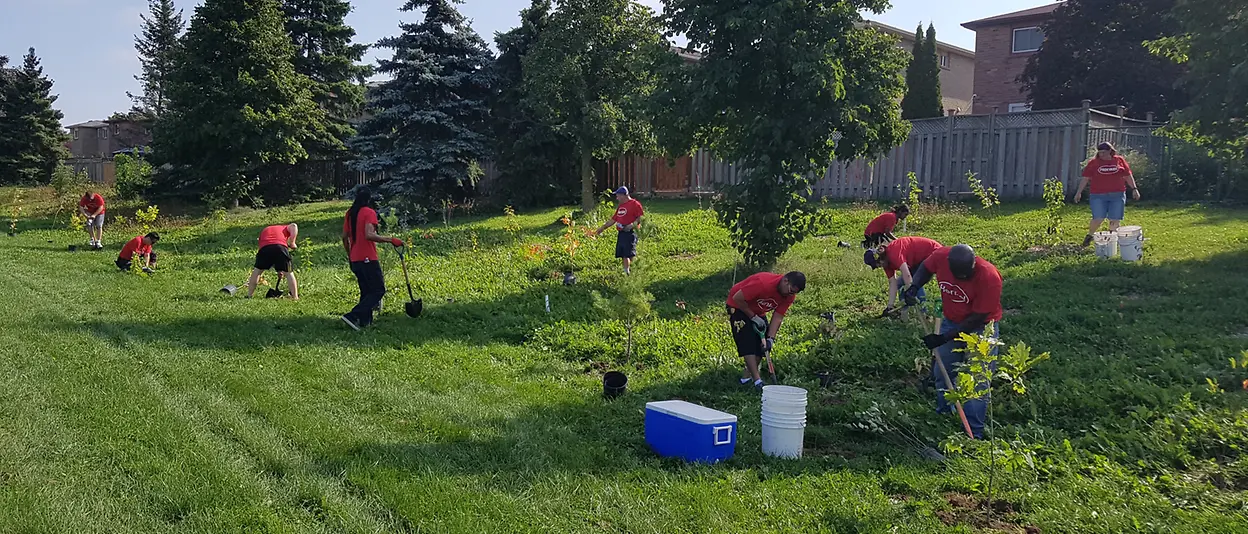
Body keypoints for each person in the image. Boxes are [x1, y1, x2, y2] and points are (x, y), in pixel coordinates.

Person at [903, 244, 1002, 439]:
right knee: (942, 370)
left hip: (982, 327)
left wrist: (942, 338)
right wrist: (914, 286)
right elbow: (925, 267)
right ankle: (945, 412)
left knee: (979, 379)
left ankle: (974, 432)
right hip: (951, 321)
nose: (962, 279)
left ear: (974, 264)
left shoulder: (989, 277)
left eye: (966, 275)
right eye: (958, 275)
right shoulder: (941, 257)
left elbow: (977, 318)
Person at [725, 271, 807, 390]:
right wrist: (752, 316)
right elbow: (737, 298)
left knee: (762, 346)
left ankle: (746, 378)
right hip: (737, 306)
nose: (790, 295)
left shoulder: (789, 295)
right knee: (747, 342)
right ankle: (757, 381)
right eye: (790, 291)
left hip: (758, 311)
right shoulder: (762, 283)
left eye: (794, 293)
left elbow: (778, 316)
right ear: (785, 281)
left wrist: (770, 339)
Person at [340, 187, 403, 331]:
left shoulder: (350, 213)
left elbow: (344, 237)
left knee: (366, 291)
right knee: (378, 290)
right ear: (369, 199)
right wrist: (390, 239)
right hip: (368, 257)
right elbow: (369, 234)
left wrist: (350, 253)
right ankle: (352, 316)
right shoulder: (369, 212)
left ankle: (364, 322)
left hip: (355, 258)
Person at [1074, 142, 1140, 247]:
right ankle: (1089, 236)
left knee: (1114, 219)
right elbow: (1085, 178)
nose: (1101, 155)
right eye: (1100, 153)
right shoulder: (1094, 163)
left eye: (1104, 152)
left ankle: (1110, 242)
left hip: (1117, 195)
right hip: (1098, 195)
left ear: (1110, 151)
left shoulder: (1119, 160)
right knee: (1098, 217)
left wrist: (1134, 189)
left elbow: (1128, 176)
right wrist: (1079, 192)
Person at [864, 235, 942, 314]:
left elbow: (907, 275)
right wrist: (889, 306)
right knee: (900, 284)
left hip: (933, 253)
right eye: (877, 266)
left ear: (880, 257)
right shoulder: (886, 263)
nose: (880, 266)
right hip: (918, 261)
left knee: (915, 283)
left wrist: (911, 292)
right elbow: (893, 283)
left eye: (878, 263)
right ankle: (904, 312)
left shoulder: (893, 253)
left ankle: (923, 313)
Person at [594, 186, 644, 274]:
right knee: (624, 253)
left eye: (618, 195)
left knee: (628, 253)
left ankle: (629, 272)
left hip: (630, 232)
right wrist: (602, 228)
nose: (616, 198)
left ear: (624, 195)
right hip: (621, 233)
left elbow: (640, 217)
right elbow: (613, 220)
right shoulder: (621, 206)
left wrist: (631, 225)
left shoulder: (635, 204)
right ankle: (628, 271)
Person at [246, 223, 300, 300]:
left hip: (264, 248)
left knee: (257, 271)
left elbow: (271, 251)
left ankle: (249, 295)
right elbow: (294, 226)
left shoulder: (266, 230)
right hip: (280, 247)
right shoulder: (285, 227)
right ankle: (295, 297)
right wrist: (292, 242)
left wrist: (279, 270)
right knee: (288, 273)